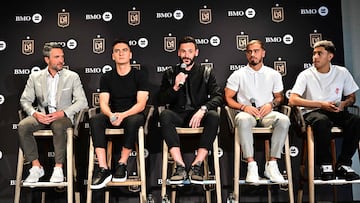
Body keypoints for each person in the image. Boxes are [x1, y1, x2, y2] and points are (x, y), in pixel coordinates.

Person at [289, 40, 360, 181]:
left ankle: (343, 164)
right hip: (312, 111)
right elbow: (293, 100)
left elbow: (352, 97)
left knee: (356, 121)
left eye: (319, 53)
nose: (315, 57)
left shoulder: (342, 72)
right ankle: (325, 164)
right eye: (314, 53)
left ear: (330, 56)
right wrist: (320, 104)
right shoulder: (306, 74)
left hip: (335, 110)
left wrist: (344, 104)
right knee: (322, 121)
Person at [18, 42, 88, 183]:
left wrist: (62, 113)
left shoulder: (72, 76)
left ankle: (58, 168)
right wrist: (35, 114)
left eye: (62, 56)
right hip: (42, 116)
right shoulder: (35, 77)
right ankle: (36, 166)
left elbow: (82, 102)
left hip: (63, 118)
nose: (61, 60)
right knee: (23, 126)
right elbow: (25, 100)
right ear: (47, 59)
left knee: (57, 125)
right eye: (57, 57)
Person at [158, 36, 223, 184]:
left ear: (196, 53)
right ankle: (180, 166)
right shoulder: (170, 73)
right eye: (183, 51)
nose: (186, 55)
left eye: (190, 51)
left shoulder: (205, 72)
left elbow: (218, 97)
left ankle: (196, 165)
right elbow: (161, 100)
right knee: (165, 115)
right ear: (178, 53)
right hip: (178, 116)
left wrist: (203, 109)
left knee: (213, 116)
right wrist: (175, 87)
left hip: (198, 115)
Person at [224, 39, 290, 183]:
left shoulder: (273, 74)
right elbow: (228, 98)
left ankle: (272, 164)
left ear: (263, 53)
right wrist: (244, 107)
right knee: (242, 119)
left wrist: (271, 104)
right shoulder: (238, 74)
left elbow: (279, 97)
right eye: (249, 52)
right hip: (247, 113)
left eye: (256, 51)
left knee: (284, 120)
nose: (252, 54)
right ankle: (251, 165)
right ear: (246, 55)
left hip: (267, 113)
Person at [89, 39, 149, 189]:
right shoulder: (107, 77)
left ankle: (122, 164)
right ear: (113, 56)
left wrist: (123, 115)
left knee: (132, 121)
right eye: (117, 51)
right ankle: (103, 168)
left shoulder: (139, 75)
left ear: (130, 55)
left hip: (132, 113)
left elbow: (141, 104)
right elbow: (103, 103)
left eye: (124, 50)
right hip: (114, 114)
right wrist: (110, 115)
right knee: (96, 120)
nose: (121, 53)